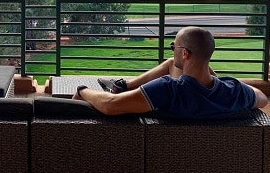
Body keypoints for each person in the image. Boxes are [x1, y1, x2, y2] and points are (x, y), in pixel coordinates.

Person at [73, 26, 268, 119]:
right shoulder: (234, 91)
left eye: (174, 45)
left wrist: (83, 90)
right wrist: (220, 83)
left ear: (184, 53)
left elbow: (110, 105)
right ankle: (123, 86)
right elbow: (262, 98)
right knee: (171, 64)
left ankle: (121, 87)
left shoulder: (167, 89)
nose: (172, 48)